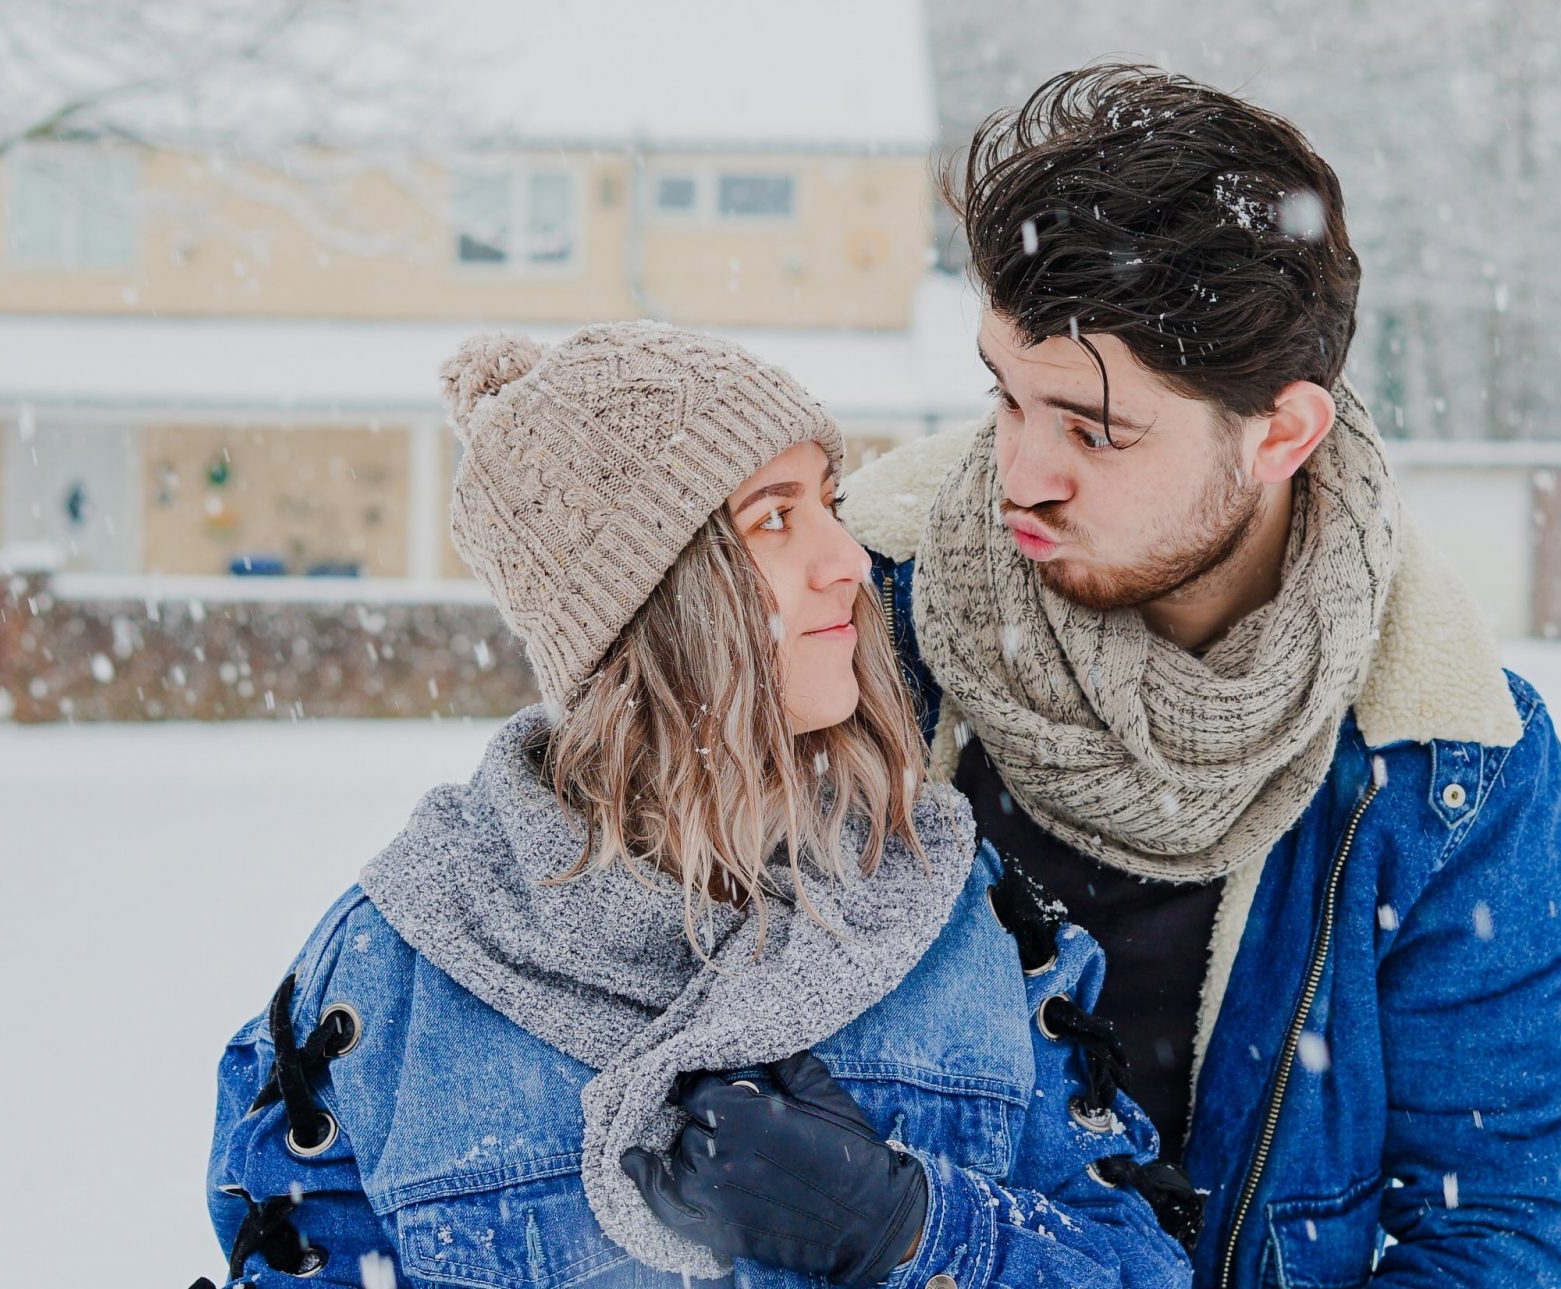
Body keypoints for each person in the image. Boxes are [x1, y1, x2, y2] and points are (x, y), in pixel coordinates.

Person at [195, 325, 1196, 1288]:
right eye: (773, 516)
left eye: (829, 502)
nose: (846, 559)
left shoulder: (962, 924)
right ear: (645, 604)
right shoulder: (390, 983)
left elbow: (1143, 1266)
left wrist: (906, 1228)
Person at [836, 65, 1561, 1287]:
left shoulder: (1446, 764)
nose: (1019, 471)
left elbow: (1492, 1227)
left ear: (1280, 434)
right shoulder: (857, 622)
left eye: (1094, 429)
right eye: (1005, 397)